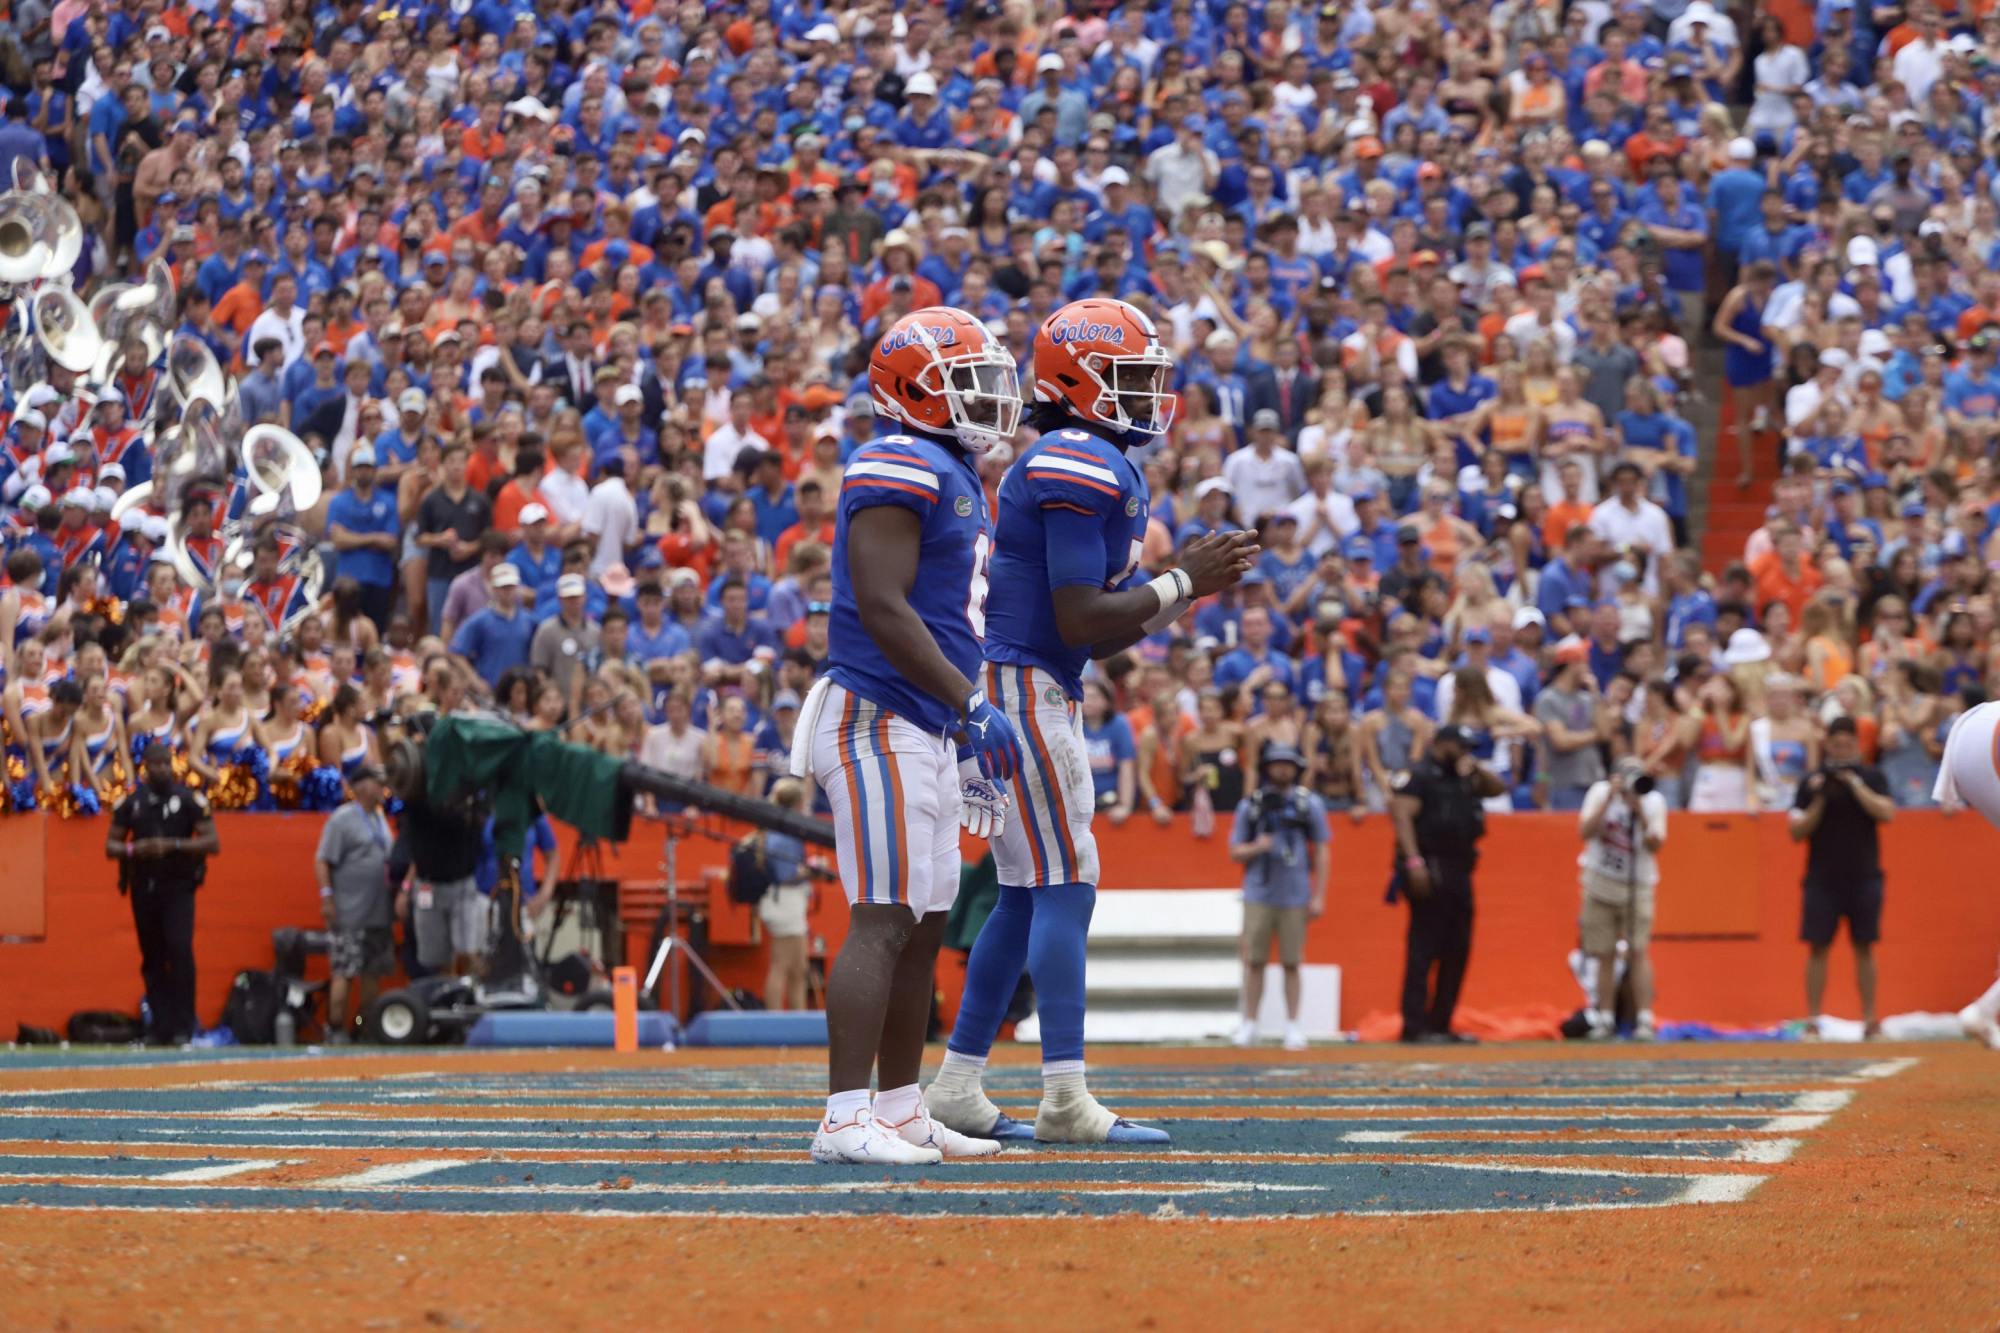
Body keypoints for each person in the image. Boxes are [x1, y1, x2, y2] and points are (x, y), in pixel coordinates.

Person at [927, 297, 1254, 1147]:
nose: (1149, 396)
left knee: (1023, 892)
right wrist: (1185, 582)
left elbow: (1098, 634)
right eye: (1131, 379)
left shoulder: (1082, 457)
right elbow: (1081, 620)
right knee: (1066, 882)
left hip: (1024, 680)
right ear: (1079, 380)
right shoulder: (1079, 457)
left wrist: (1174, 593)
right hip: (1025, 685)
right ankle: (1064, 1094)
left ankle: (959, 1083)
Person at [798, 306, 1022, 1167]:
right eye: (966, 380)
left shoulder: (943, 465)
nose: (985, 398)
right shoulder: (896, 458)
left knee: (925, 921)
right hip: (877, 712)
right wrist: (968, 703)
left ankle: (898, 1107)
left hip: (922, 720)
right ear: (913, 388)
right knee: (885, 915)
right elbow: (884, 606)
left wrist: (957, 713)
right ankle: (844, 1116)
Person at [1388, 722, 1504, 1043]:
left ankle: (1441, 1022)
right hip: (1430, 862)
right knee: (1423, 948)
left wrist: (1476, 769)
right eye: (1461, 746)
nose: (1466, 753)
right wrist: (1413, 862)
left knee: (1457, 949)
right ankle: (1415, 1025)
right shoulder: (1420, 775)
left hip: (1460, 867)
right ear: (1443, 744)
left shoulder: (1465, 776)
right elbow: (1401, 816)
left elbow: (1497, 789)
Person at [105, 742, 220, 1046]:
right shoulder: (133, 802)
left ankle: (184, 1025)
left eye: (166, 764)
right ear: (145, 767)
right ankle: (160, 1026)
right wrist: (135, 849)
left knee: (180, 950)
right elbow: (111, 845)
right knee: (153, 956)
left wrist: (174, 845)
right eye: (156, 764)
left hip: (179, 887)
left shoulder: (187, 799)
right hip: (144, 886)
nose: (162, 770)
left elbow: (212, 842)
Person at [1789, 715, 1895, 1038]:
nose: (1842, 747)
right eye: (1836, 743)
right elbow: (1796, 830)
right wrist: (1821, 797)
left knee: (1865, 947)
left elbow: (1886, 812)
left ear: (1856, 743)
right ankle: (1813, 1019)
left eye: (1848, 742)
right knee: (1817, 948)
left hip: (1864, 875)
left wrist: (1854, 784)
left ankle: (1870, 1019)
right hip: (1822, 877)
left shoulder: (1871, 775)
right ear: (1828, 745)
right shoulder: (1812, 781)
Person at [1228, 743, 1331, 1051]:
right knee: (1254, 960)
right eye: (1277, 764)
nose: (1282, 769)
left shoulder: (1308, 804)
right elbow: (1235, 851)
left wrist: (1319, 894)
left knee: (1292, 962)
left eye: (1288, 764)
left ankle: (1293, 1025)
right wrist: (1258, 847)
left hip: (1295, 893)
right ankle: (1250, 1023)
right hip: (1259, 892)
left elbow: (1323, 850)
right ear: (1267, 768)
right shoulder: (1252, 805)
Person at [1576, 757, 1670, 1040]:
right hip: (1600, 880)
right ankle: (1604, 1018)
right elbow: (1584, 831)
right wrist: (1608, 800)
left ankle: (1644, 1018)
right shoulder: (1599, 792)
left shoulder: (1653, 800)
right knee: (1603, 953)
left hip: (1637, 883)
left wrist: (1638, 810)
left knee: (1639, 950)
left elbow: (1655, 844)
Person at [313, 763, 395, 1043]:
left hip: (378, 912)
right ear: (362, 787)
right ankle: (336, 1028)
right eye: (377, 782)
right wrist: (327, 897)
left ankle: (365, 1025)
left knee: (373, 973)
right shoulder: (342, 819)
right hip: (350, 912)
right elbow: (323, 859)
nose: (383, 788)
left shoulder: (380, 818)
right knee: (344, 972)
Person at [757, 778, 815, 1012]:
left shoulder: (777, 830)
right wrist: (810, 872)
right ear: (797, 804)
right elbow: (786, 875)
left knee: (798, 967)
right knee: (781, 965)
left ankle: (797, 1019)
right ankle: (776, 1021)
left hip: (786, 902)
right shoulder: (782, 835)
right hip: (785, 902)